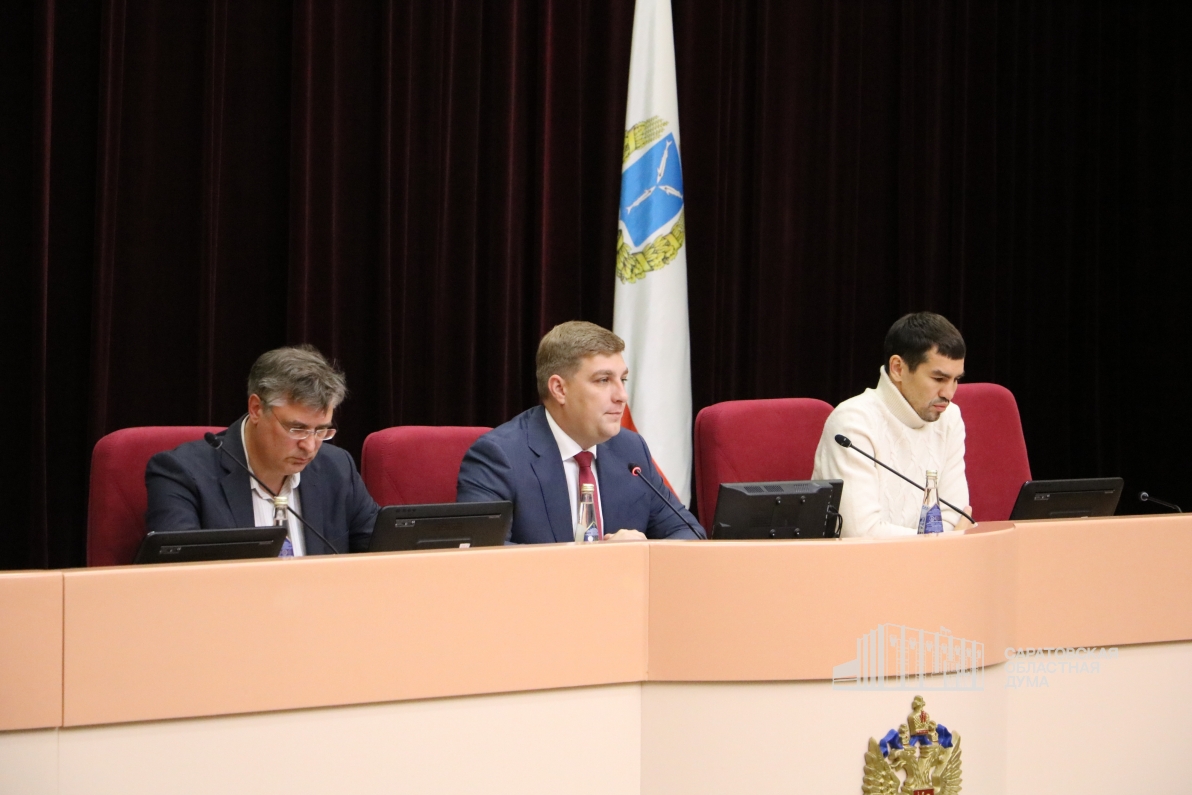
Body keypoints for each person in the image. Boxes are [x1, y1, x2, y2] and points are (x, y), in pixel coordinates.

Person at [457, 321, 704, 543]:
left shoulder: (630, 450)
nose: (622, 396)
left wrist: (642, 553)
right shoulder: (500, 456)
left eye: (623, 380)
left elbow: (690, 533)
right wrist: (594, 565)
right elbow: (483, 553)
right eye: (603, 380)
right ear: (559, 389)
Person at [145, 345, 378, 555]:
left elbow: (381, 551)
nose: (309, 446)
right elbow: (178, 574)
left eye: (321, 430)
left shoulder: (337, 468)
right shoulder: (182, 474)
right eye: (297, 429)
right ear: (256, 409)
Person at [811, 312, 974, 538]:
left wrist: (941, 540)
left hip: (934, 559)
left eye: (956, 380)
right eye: (939, 379)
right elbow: (859, 533)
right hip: (859, 561)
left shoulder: (950, 418)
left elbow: (956, 515)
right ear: (898, 368)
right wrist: (944, 539)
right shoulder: (853, 421)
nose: (949, 393)